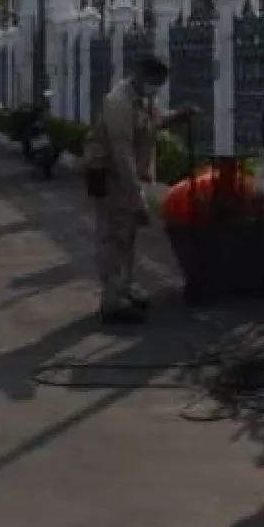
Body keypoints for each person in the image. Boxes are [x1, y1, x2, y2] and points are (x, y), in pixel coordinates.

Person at [82, 55, 191, 327]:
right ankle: (112, 301)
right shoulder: (118, 102)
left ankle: (124, 288)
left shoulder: (141, 98)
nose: (157, 89)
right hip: (111, 176)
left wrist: (177, 116)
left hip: (128, 177)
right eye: (156, 82)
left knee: (127, 235)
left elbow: (154, 120)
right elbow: (122, 153)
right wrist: (136, 194)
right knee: (114, 236)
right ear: (142, 76)